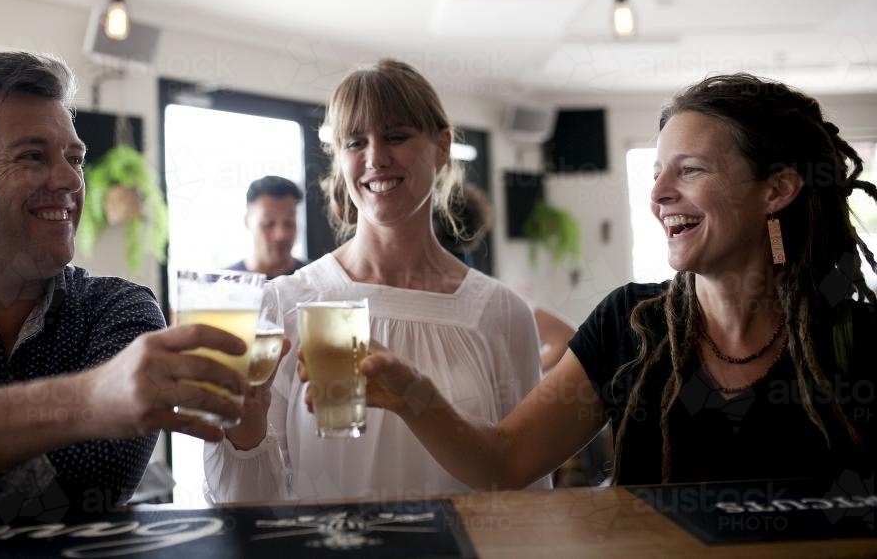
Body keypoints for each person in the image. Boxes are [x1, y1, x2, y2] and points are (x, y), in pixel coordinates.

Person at [352, 73, 875, 488]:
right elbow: (504, 463)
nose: (659, 195)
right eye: (656, 174)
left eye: (689, 170)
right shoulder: (629, 324)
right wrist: (410, 394)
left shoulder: (857, 341)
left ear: (777, 188)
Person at [0, 52, 248, 517]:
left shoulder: (118, 308)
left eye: (75, 158)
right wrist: (93, 397)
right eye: (33, 157)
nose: (71, 179)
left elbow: (92, 490)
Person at [203, 59, 547, 502]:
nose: (375, 158)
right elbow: (249, 504)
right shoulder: (285, 302)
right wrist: (243, 431)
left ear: (442, 147)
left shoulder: (501, 313)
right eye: (355, 142)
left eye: (396, 136)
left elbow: (530, 491)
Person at [433, 182, 576, 373]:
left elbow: (566, 339)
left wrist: (518, 381)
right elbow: (566, 339)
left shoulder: (488, 296)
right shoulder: (491, 296)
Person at [227, 175, 308, 279]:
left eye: (289, 223)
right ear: (247, 222)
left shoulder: (314, 281)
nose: (280, 235)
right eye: (268, 224)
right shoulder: (223, 284)